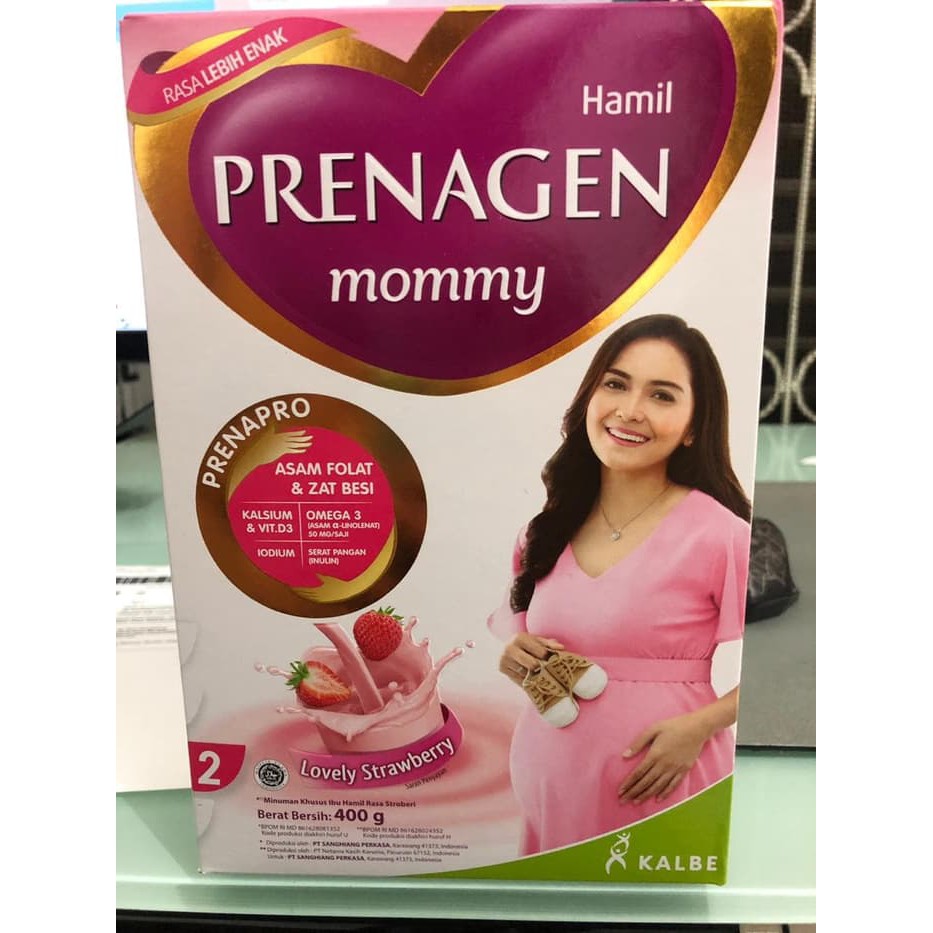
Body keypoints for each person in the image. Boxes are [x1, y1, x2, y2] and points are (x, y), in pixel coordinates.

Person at [488, 313, 751, 856]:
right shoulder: (543, 532)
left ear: (694, 426)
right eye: (615, 384)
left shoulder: (720, 534)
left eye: (662, 395)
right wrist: (516, 655)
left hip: (665, 789)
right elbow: (523, 632)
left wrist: (699, 727)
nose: (630, 410)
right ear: (590, 397)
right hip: (549, 790)